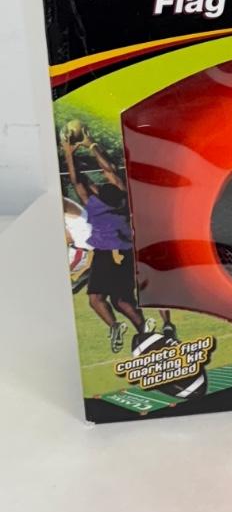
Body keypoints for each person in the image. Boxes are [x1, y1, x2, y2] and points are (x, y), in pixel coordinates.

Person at [62, 122, 145, 352]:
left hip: (106, 254)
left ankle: (116, 326)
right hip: (125, 253)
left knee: (96, 299)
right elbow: (110, 170)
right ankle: (144, 332)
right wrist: (92, 144)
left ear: (98, 195)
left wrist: (69, 153)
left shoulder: (95, 206)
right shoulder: (121, 198)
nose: (95, 186)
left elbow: (76, 180)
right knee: (121, 299)